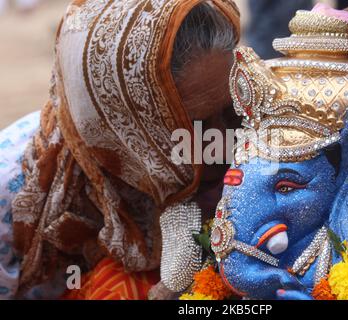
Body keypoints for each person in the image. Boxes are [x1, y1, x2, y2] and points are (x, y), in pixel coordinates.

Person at [0, 0, 240, 299]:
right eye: (195, 124)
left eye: (232, 112)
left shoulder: (254, 142)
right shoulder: (12, 190)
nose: (224, 142)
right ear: (123, 124)